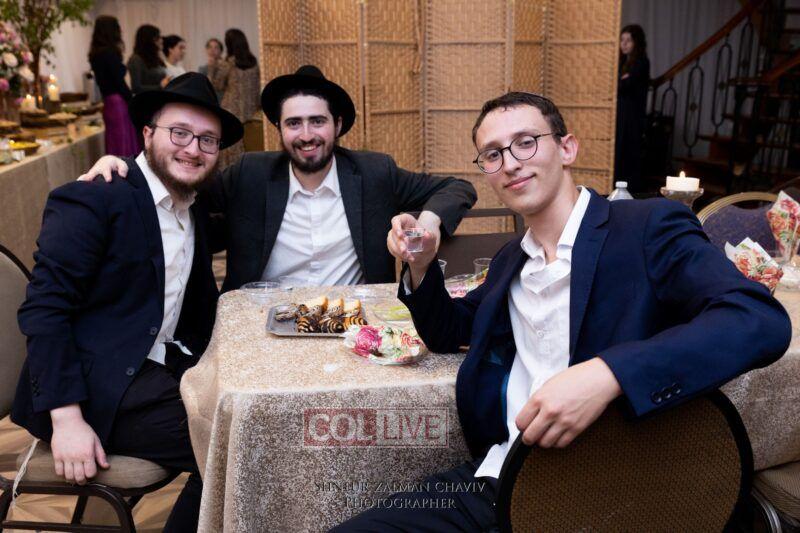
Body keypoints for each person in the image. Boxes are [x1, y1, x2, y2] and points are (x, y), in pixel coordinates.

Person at [334, 91, 792, 530]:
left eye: (525, 142)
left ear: (567, 148)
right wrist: (421, 264)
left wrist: (607, 374)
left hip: (613, 493)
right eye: (492, 154)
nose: (510, 162)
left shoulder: (646, 227)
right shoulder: (512, 260)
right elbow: (449, 331)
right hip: (505, 477)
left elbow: (757, 319)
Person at [12, 73, 243, 532]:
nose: (193, 149)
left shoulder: (192, 204)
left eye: (207, 140)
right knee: (237, 445)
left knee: (248, 419)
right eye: (180, 132)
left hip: (159, 371)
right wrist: (67, 419)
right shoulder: (94, 198)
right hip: (96, 390)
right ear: (147, 133)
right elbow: (44, 310)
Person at [79, 65, 477, 292]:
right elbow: (181, 181)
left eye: (317, 121)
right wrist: (130, 166)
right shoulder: (250, 174)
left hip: (354, 326)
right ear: (279, 130)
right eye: (294, 123)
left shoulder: (374, 173)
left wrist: (428, 223)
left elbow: (458, 187)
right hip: (262, 326)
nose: (306, 135)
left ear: (337, 125)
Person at [207, 28, 261, 168]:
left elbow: (217, 85)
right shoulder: (254, 63)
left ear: (229, 44)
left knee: (230, 153)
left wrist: (212, 67)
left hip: (231, 112)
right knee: (250, 150)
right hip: (251, 113)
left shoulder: (228, 63)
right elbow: (257, 88)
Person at [87, 15, 140, 156]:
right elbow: (119, 82)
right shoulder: (110, 54)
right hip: (118, 103)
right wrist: (132, 100)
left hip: (108, 102)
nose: (120, 30)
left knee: (115, 140)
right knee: (123, 141)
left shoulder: (95, 54)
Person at [614, 24, 650, 192]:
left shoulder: (642, 62)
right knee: (618, 152)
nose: (624, 44)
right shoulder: (621, 62)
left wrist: (622, 81)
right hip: (620, 114)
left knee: (629, 153)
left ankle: (630, 191)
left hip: (632, 117)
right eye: (622, 40)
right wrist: (621, 80)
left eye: (628, 40)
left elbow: (625, 86)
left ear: (636, 42)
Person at [127, 24, 169, 94]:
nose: (161, 40)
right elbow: (136, 88)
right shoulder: (136, 59)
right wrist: (160, 87)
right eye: (158, 37)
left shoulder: (156, 58)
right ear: (149, 40)